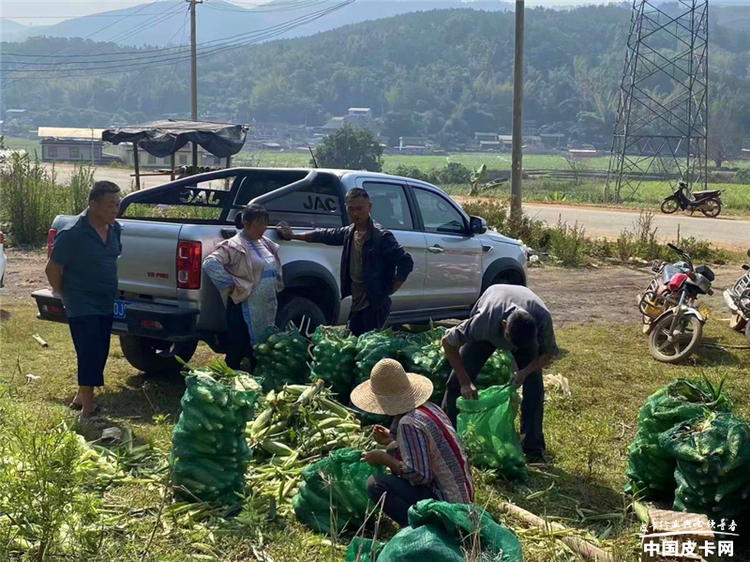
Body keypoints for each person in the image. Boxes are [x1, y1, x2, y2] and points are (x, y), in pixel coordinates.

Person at [441, 284, 559, 463]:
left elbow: (549, 353)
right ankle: (445, 437)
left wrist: (525, 371)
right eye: (511, 343)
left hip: (522, 324)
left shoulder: (542, 319)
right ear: (504, 326)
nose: (513, 350)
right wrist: (465, 381)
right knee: (455, 385)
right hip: (491, 318)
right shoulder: (483, 322)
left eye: (518, 347)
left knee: (534, 389)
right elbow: (448, 342)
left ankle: (533, 449)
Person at [275, 188, 413, 337]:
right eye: (351, 209)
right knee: (353, 342)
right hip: (357, 302)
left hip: (374, 304)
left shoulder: (381, 237)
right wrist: (293, 236)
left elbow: (406, 261)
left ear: (369, 207)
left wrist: (390, 290)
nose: (355, 213)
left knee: (369, 347)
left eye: (360, 209)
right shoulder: (349, 232)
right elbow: (324, 235)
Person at [353, 358, 475, 527]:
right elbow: (420, 442)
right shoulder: (429, 408)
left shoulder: (409, 423)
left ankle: (427, 526)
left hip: (448, 505)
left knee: (375, 485)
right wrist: (389, 437)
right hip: (463, 494)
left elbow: (420, 475)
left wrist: (383, 459)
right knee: (391, 448)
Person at [45, 181, 122, 418]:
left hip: (105, 300)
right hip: (81, 301)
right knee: (88, 350)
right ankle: (88, 410)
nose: (115, 209)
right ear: (93, 205)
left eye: (118, 204)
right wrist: (66, 295)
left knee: (100, 350)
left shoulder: (115, 228)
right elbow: (52, 268)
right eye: (110, 204)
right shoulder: (74, 232)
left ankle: (81, 394)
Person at [203, 204, 283, 370]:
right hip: (244, 305)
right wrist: (229, 285)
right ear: (246, 223)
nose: (264, 227)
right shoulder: (234, 245)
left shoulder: (266, 243)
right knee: (239, 346)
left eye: (265, 223)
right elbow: (210, 263)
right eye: (259, 223)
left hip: (265, 305)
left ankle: (257, 377)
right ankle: (230, 380)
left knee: (262, 345)